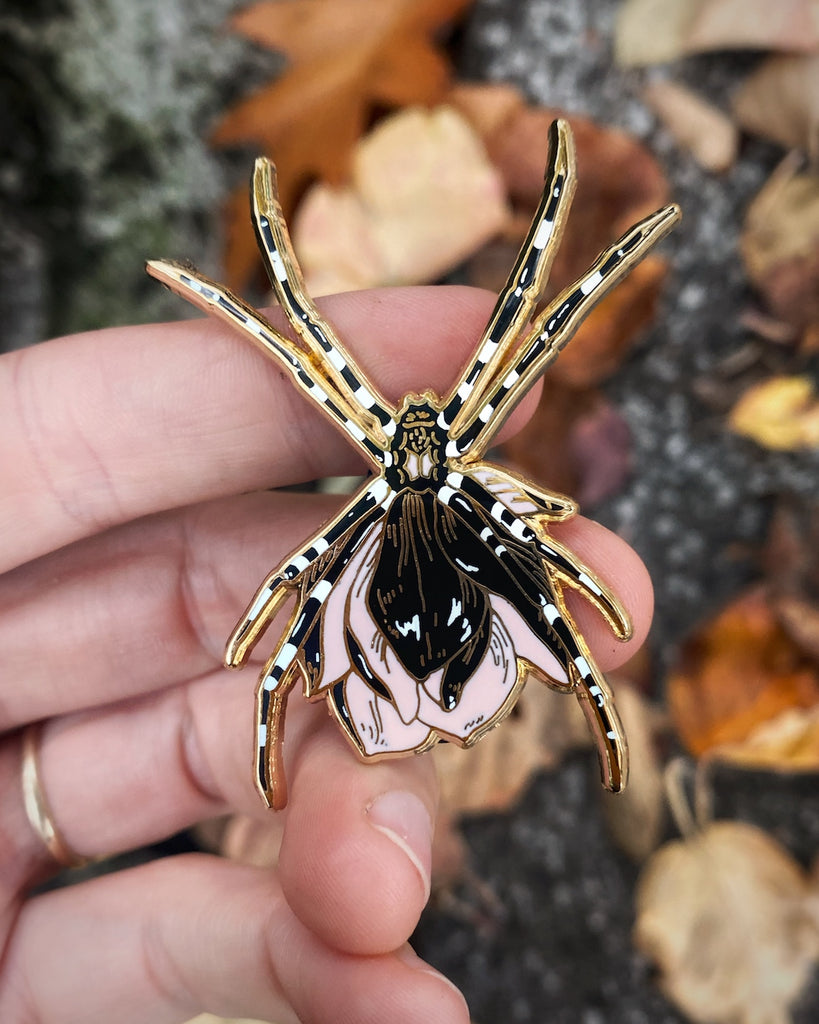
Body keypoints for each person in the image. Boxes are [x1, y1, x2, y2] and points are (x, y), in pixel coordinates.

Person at [0, 285, 653, 1023]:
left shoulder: (382, 481)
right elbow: (309, 351)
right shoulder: (466, 486)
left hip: (395, 547)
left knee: (314, 621)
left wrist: (250, 300)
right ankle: (594, 715)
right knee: (527, 574)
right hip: (441, 552)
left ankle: (589, 714)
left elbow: (304, 359)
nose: (414, 431)